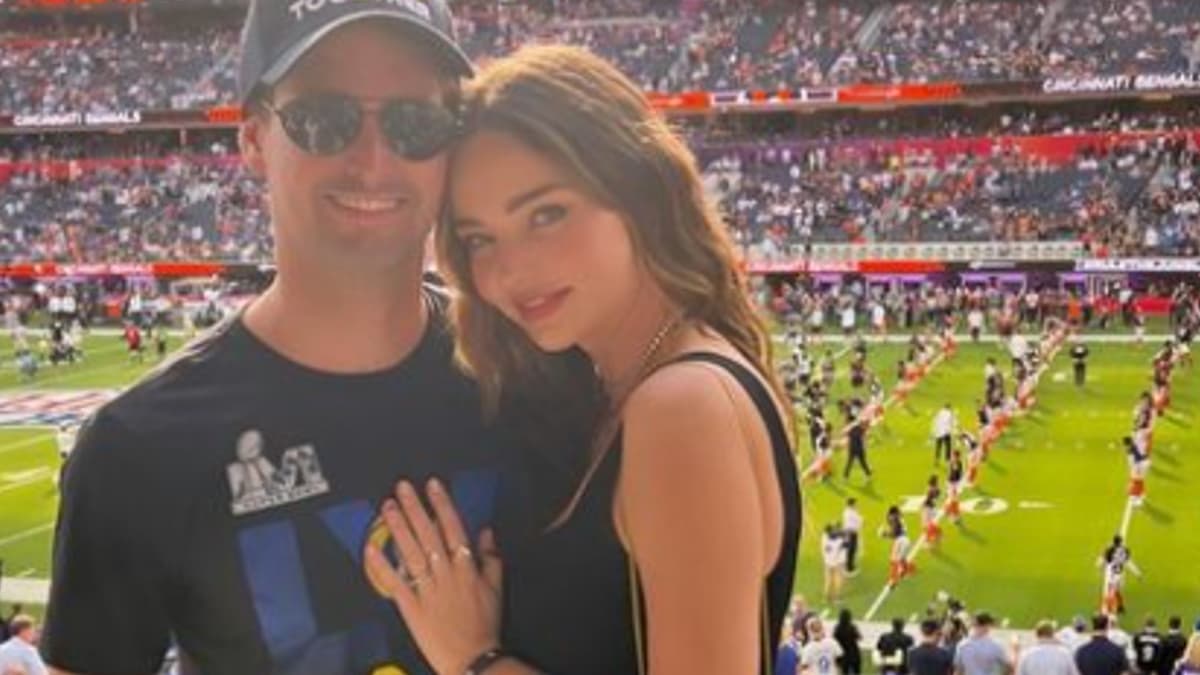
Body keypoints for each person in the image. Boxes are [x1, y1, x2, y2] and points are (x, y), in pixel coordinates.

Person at [39, 2, 498, 673]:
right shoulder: (134, 451)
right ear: (251, 137)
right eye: (322, 119)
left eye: (415, 122)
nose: (372, 160)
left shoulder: (530, 373)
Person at [362, 45, 802, 674]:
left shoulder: (680, 408)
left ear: (638, 190)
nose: (509, 271)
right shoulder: (625, 386)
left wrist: (473, 657)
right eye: (480, 239)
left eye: (546, 214)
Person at [833, 609, 863, 675]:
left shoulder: (837, 628)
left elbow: (834, 640)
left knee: (845, 672)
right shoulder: (852, 627)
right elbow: (860, 637)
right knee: (856, 672)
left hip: (842, 654)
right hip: (854, 653)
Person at [842, 498, 863, 575]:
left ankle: (850, 567)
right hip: (851, 533)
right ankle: (849, 569)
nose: (857, 505)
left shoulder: (849, 511)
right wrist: (860, 517)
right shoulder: (850, 512)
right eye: (855, 504)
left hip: (851, 532)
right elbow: (859, 521)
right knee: (851, 550)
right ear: (852, 504)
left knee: (852, 550)